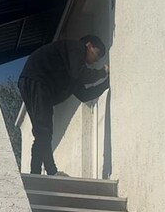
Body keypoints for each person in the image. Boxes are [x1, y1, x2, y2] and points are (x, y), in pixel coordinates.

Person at [18, 35, 110, 175]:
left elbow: (84, 95)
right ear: (89, 46)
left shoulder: (72, 67)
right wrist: (103, 72)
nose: (96, 60)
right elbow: (82, 75)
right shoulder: (76, 48)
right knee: (43, 128)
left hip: (34, 82)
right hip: (38, 78)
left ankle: (36, 172)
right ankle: (49, 170)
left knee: (42, 130)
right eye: (97, 55)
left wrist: (106, 84)